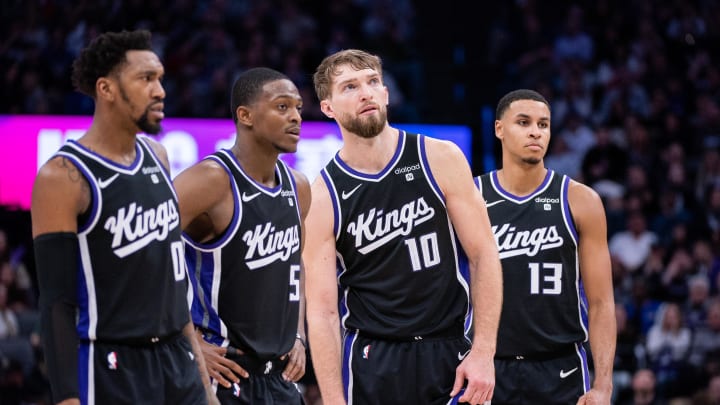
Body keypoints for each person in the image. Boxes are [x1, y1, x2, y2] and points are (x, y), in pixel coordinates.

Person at [303, 49, 503, 405]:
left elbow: (484, 253)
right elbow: (322, 311)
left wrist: (485, 352)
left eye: (372, 82)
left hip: (450, 349)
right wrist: (333, 400)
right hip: (372, 359)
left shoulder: (440, 157)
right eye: (349, 87)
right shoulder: (322, 195)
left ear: (386, 93)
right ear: (328, 107)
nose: (365, 92)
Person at [30, 30, 216, 405]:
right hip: (112, 364)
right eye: (146, 79)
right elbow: (56, 303)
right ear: (106, 89)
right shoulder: (64, 176)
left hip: (177, 362)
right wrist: (67, 398)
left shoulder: (158, 156)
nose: (161, 90)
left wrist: (203, 382)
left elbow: (173, 280)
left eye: (161, 78)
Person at [173, 67, 310, 404]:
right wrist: (186, 341)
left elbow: (297, 267)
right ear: (245, 115)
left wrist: (299, 334)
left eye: (298, 108)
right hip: (219, 372)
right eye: (282, 107)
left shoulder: (299, 186)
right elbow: (144, 255)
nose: (295, 117)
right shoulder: (210, 180)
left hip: (278, 380)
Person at [476, 89, 616, 404]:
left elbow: (602, 302)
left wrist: (604, 384)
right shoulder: (472, 198)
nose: (535, 132)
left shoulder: (581, 200)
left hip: (562, 369)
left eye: (543, 124)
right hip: (490, 368)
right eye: (523, 122)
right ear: (499, 129)